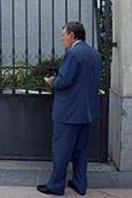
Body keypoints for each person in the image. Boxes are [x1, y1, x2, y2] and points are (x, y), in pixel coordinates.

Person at [37, 21, 102, 196]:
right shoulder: (95, 54)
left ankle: (56, 186)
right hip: (88, 112)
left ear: (72, 35)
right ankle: (80, 184)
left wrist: (52, 82)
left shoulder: (73, 54)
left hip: (68, 113)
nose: (62, 39)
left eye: (63, 35)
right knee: (81, 151)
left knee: (61, 151)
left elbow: (64, 81)